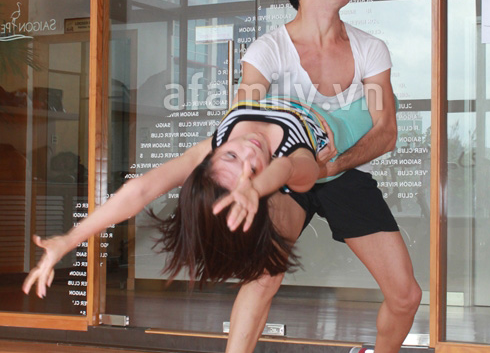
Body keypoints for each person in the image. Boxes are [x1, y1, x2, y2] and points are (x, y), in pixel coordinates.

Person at [190, 0, 421, 353]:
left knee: (406, 295)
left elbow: (384, 130)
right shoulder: (268, 51)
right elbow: (244, 114)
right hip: (284, 174)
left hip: (341, 172)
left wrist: (331, 166)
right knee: (262, 277)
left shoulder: (370, 49)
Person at [21, 92, 375, 292]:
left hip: (307, 81)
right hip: (344, 121)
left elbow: (139, 190)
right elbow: (290, 170)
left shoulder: (213, 148)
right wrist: (255, 186)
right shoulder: (294, 166)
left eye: (231, 156)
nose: (248, 151)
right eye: (251, 170)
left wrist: (68, 240)